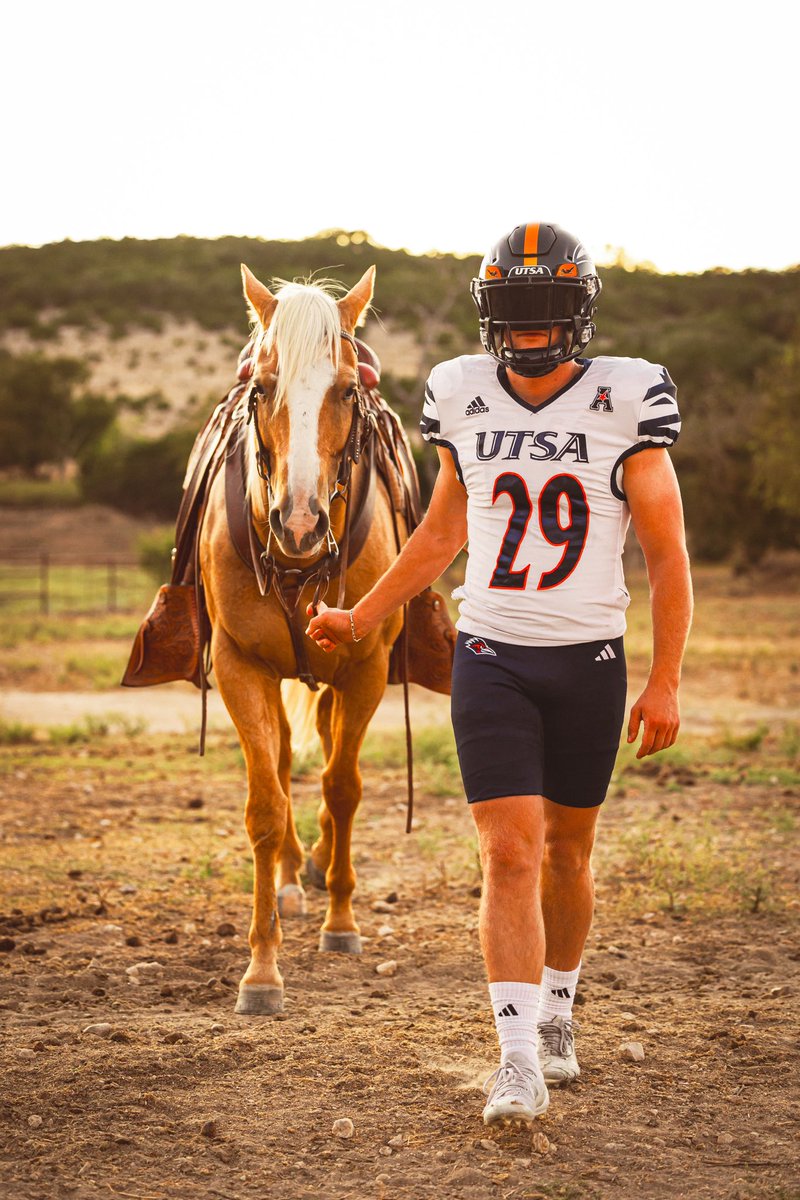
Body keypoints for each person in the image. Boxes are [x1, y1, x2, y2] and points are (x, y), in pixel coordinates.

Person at [306, 222, 693, 1125]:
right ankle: (515, 1056)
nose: (526, 331)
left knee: (568, 851)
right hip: (492, 654)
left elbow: (669, 556)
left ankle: (559, 1005)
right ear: (490, 319)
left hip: (589, 658)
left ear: (579, 314)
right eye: (513, 313)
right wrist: (366, 615)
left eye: (546, 311)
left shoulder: (627, 397)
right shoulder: (460, 391)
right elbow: (443, 534)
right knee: (508, 851)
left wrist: (665, 678)